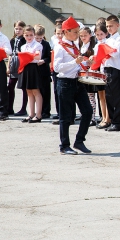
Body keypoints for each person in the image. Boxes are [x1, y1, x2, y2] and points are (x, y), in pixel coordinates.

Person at [53, 16, 93, 155]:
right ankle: (64, 145)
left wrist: (87, 62)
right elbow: (57, 67)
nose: (78, 35)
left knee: (88, 112)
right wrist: (74, 63)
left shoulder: (73, 44)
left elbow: (78, 62)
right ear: (66, 32)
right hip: (65, 83)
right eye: (75, 32)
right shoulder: (60, 46)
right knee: (66, 117)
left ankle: (79, 141)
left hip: (77, 82)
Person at [103, 15, 120, 132]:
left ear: (118, 25)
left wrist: (104, 50)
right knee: (109, 97)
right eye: (107, 26)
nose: (109, 28)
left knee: (116, 97)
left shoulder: (119, 39)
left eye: (111, 26)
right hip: (107, 69)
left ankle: (118, 122)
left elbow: (114, 53)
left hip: (115, 70)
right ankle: (112, 120)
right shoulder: (108, 40)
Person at [17, 25, 43, 122]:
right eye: (27, 35)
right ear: (24, 35)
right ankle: (31, 114)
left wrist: (28, 56)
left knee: (36, 91)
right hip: (26, 68)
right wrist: (29, 56)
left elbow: (38, 56)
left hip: (34, 68)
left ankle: (39, 114)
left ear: (34, 35)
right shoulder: (23, 47)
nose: (29, 37)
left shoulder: (37, 45)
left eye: (31, 35)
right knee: (28, 91)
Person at [8, 21, 27, 116]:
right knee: (10, 85)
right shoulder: (12, 40)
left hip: (21, 62)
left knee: (24, 87)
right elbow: (10, 55)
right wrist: (8, 67)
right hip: (14, 63)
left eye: (20, 29)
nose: (18, 30)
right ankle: (9, 107)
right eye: (16, 28)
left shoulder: (25, 40)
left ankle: (23, 108)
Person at [34, 25, 52, 119]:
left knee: (45, 92)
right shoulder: (31, 43)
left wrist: (44, 60)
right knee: (36, 92)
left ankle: (46, 111)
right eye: (36, 38)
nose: (38, 39)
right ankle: (38, 111)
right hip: (34, 71)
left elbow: (49, 57)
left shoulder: (46, 44)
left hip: (44, 71)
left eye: (40, 38)